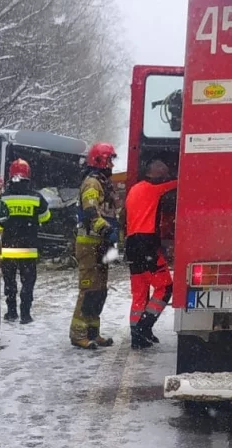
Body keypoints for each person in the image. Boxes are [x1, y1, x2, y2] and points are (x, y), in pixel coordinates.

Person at [70, 142, 119, 350]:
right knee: (89, 289)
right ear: (100, 160)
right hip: (90, 244)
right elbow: (91, 213)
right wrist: (106, 230)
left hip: (100, 243)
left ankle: (93, 332)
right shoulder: (92, 183)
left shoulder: (103, 183)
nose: (112, 164)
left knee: (99, 290)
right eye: (110, 159)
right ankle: (78, 334)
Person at [124, 160, 178, 349]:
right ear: (154, 172)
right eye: (163, 170)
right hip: (146, 244)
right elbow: (175, 185)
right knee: (165, 287)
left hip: (132, 244)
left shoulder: (134, 190)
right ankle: (144, 327)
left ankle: (136, 336)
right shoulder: (153, 189)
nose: (166, 173)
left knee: (140, 292)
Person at [0, 159, 50, 324]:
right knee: (28, 280)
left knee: (9, 281)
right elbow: (45, 217)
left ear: (10, 176)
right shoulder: (36, 198)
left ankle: (11, 312)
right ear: (28, 175)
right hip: (28, 247)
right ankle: (25, 314)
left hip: (9, 246)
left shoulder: (3, 197)